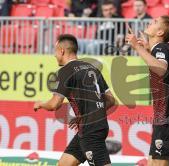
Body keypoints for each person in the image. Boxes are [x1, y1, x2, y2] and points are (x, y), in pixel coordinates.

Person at [33, 34, 116, 166]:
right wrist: (89, 112)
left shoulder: (65, 71)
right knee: (64, 164)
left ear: (62, 51)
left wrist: (40, 104)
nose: (54, 55)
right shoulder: (92, 68)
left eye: (55, 51)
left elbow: (55, 104)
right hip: (93, 126)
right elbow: (111, 100)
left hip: (90, 130)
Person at [125, 16, 169, 166]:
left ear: (160, 32)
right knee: (152, 162)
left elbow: (160, 69)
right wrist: (147, 49)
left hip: (168, 114)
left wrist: (137, 47)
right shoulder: (167, 48)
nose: (150, 22)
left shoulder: (160, 48)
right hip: (166, 113)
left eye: (154, 22)